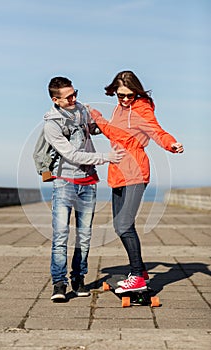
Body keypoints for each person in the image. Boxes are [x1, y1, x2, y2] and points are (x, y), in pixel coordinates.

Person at [90, 70, 184, 294]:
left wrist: (171, 144)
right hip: (117, 171)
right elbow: (114, 133)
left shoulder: (142, 108)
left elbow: (156, 131)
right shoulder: (118, 108)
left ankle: (137, 277)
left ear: (137, 92)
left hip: (135, 172)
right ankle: (140, 272)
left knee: (123, 224)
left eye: (129, 95)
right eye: (120, 95)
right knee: (121, 225)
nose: (124, 100)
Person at [43, 76, 125, 301]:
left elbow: (92, 129)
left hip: (88, 183)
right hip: (64, 183)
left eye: (75, 93)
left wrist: (101, 122)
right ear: (56, 100)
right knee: (60, 236)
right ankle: (59, 284)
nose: (74, 98)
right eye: (69, 96)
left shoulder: (80, 109)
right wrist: (105, 157)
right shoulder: (51, 124)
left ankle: (78, 279)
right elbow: (71, 154)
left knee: (84, 236)